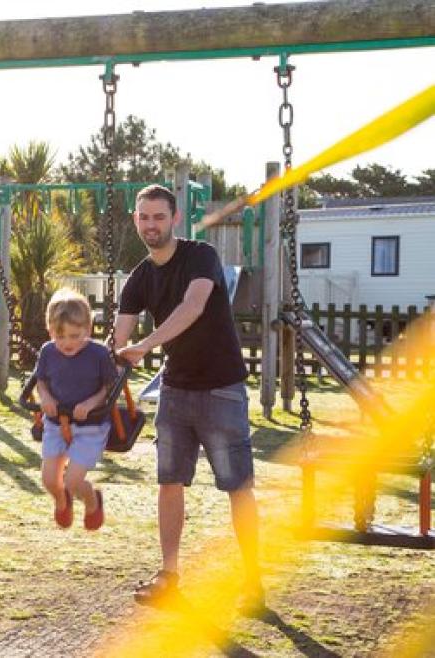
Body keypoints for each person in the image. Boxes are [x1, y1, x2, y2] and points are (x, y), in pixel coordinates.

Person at [110, 184, 264, 613]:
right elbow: (119, 337)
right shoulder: (139, 277)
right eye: (144, 217)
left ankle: (253, 581)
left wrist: (146, 346)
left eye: (158, 217)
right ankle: (169, 575)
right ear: (135, 219)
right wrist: (97, 360)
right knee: (169, 482)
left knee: (238, 487)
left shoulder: (201, 256)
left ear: (174, 219)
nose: (151, 225)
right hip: (175, 390)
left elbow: (193, 307)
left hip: (221, 388)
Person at [34, 289, 118, 531]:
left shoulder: (98, 354)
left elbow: (108, 388)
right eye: (59, 336)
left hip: (89, 427)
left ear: (87, 330)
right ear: (50, 331)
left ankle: (93, 502)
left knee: (72, 480)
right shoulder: (48, 352)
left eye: (74, 335)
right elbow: (41, 381)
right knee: (50, 480)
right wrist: (46, 398)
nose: (67, 343)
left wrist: (91, 404)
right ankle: (63, 501)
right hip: (56, 423)